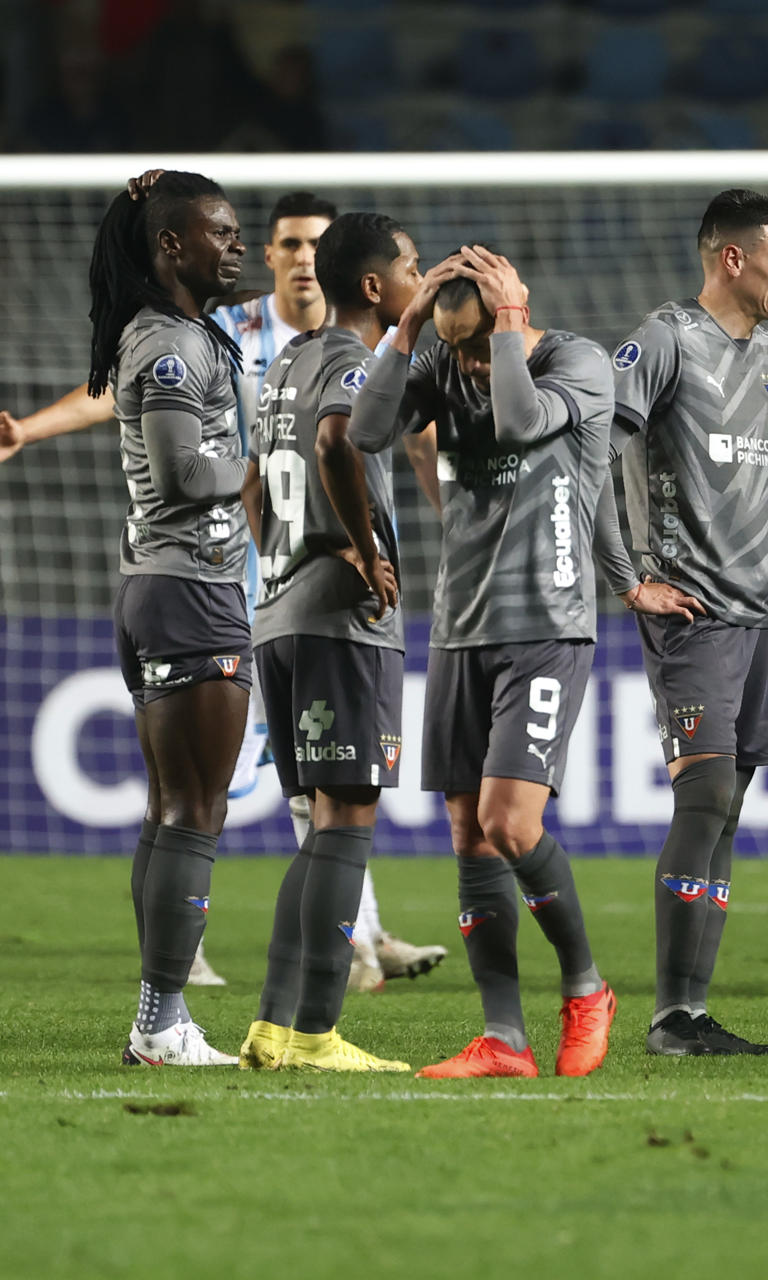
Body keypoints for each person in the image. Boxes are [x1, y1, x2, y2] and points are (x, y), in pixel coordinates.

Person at [1, 191, 445, 994]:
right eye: (282, 242)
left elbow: (396, 440)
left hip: (253, 592)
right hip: (243, 595)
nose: (300, 255)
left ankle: (359, 944)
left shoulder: (295, 351)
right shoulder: (227, 335)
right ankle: (187, 985)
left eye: (314, 243)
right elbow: (147, 408)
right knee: (232, 804)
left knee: (309, 799)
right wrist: (336, 536)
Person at [347, 245, 653, 1079]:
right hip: (458, 629)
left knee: (512, 823)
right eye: (460, 349)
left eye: (480, 345)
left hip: (546, 625)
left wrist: (507, 333)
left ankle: (587, 989)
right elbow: (365, 432)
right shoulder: (442, 359)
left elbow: (519, 421)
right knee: (467, 835)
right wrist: (406, 335)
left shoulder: (578, 364)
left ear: (511, 315)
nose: (472, 366)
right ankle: (504, 1039)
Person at [610, 189, 768, 1057]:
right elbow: (602, 444)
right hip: (694, 606)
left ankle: (691, 1011)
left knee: (730, 806)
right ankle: (669, 1017)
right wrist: (629, 577)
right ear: (734, 257)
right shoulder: (663, 340)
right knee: (707, 792)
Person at [236, 212, 422, 1072]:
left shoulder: (290, 359)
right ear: (377, 287)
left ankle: (274, 1027)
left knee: (322, 829)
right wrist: (364, 547)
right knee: (348, 821)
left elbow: (251, 481)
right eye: (412, 267)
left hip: (280, 613)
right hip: (338, 619)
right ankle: (315, 1032)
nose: (421, 278)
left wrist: (284, 548)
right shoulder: (353, 362)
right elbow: (338, 441)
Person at [93, 170, 250, 1066]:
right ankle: (160, 1024)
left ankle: (160, 1018)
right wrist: (267, 467)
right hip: (187, 587)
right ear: (170, 247)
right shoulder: (164, 346)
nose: (236, 245)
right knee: (195, 808)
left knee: (171, 809)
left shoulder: (186, 330)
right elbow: (186, 474)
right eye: (221, 234)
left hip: (168, 586)